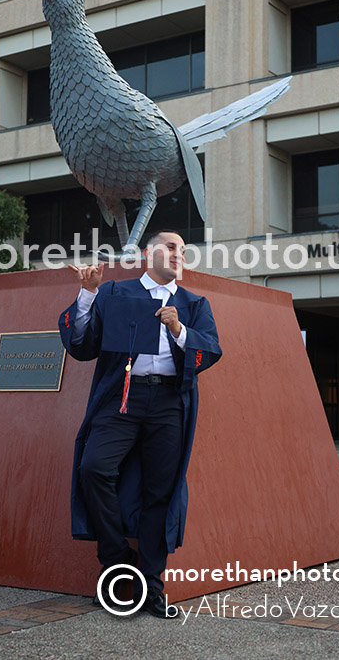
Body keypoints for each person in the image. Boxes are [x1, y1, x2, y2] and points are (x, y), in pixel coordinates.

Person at [58, 230, 222, 618]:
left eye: (183, 250)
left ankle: (151, 586)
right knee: (93, 468)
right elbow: (82, 345)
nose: (179, 254)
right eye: (171, 247)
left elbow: (212, 349)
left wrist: (179, 331)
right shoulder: (116, 293)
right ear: (149, 254)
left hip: (168, 402)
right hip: (121, 398)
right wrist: (88, 294)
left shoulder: (193, 304)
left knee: (160, 492)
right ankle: (117, 558)